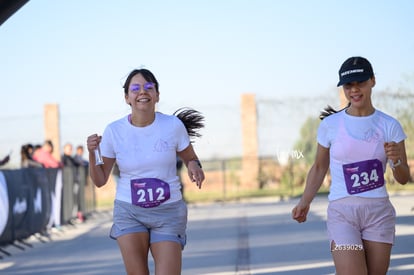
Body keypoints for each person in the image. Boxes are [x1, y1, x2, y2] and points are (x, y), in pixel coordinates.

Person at [292, 56, 410, 275]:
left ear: (372, 81)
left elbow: (404, 178)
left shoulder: (390, 125)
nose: (354, 90)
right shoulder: (330, 125)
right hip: (343, 215)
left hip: (378, 214)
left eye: (361, 83)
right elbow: (319, 167)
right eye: (349, 85)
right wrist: (304, 202)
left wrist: (397, 161)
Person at [87, 68, 205, 275]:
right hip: (130, 211)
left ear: (157, 95)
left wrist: (195, 166)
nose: (143, 91)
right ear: (127, 98)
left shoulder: (172, 125)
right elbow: (99, 180)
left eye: (149, 87)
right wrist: (91, 153)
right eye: (135, 88)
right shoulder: (114, 131)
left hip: (168, 212)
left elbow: (190, 157)